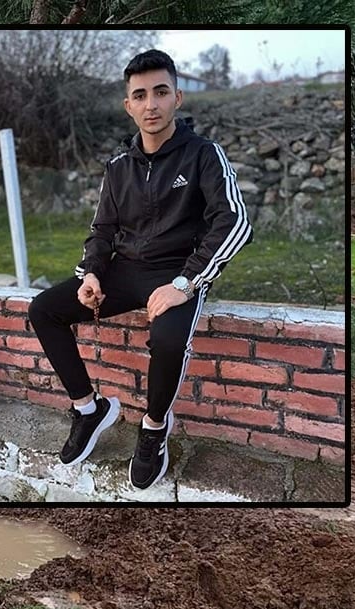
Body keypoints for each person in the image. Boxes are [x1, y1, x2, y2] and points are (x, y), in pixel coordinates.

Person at [27, 49, 252, 490]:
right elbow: (102, 230)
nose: (152, 104)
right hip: (122, 270)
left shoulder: (204, 155)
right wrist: (91, 273)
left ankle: (153, 429)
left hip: (176, 273)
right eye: (141, 95)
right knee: (43, 309)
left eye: (161, 92)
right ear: (128, 105)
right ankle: (89, 409)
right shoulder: (118, 167)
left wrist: (187, 283)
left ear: (178, 98)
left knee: (167, 338)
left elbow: (235, 221)